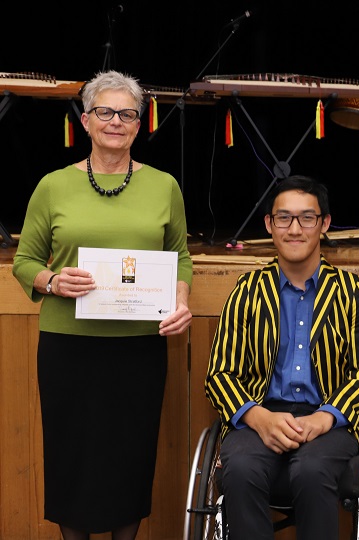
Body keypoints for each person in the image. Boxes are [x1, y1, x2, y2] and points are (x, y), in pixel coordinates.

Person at [12, 70, 193, 540]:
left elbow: (181, 258)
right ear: (87, 121)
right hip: (68, 347)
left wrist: (180, 299)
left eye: (127, 113)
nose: (117, 121)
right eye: (106, 112)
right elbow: (25, 261)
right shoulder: (53, 186)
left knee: (129, 456)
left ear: (139, 124)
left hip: (138, 348)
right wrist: (52, 280)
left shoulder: (164, 186)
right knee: (72, 456)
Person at [205, 175, 359, 540]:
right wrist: (258, 417)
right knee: (239, 470)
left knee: (311, 469)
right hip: (259, 414)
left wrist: (325, 417)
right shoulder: (248, 292)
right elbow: (219, 375)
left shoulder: (352, 293)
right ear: (270, 225)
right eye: (284, 218)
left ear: (324, 224)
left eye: (307, 218)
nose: (295, 229)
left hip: (329, 421)